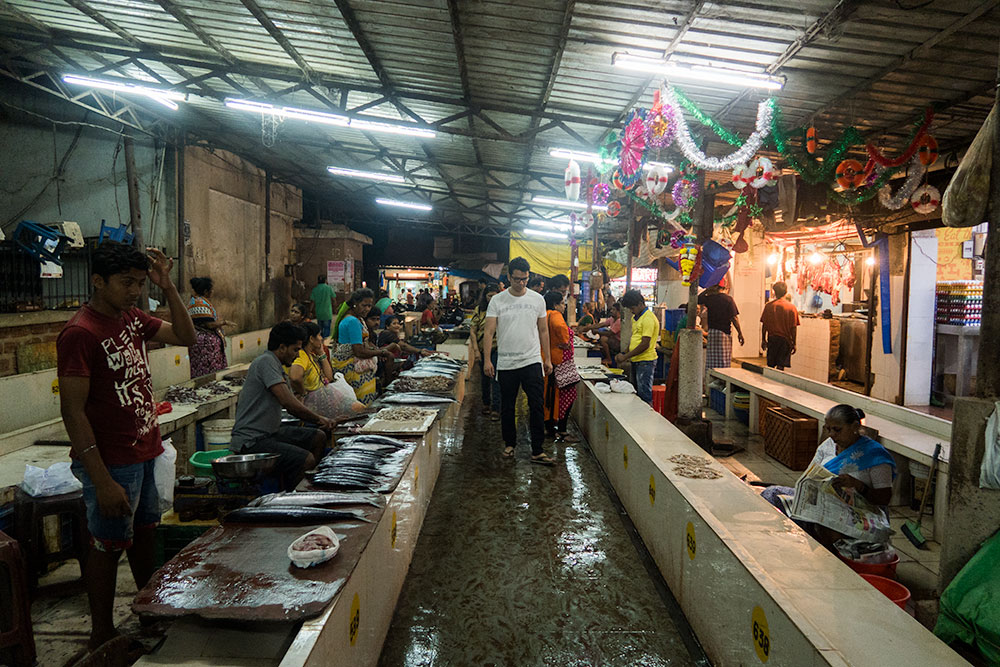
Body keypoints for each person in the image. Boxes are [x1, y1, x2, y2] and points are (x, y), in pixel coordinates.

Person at [58, 242, 197, 650]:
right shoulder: (80, 333)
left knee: (145, 533)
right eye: (127, 283)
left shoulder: (133, 318)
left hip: (144, 449)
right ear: (97, 281)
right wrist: (101, 480)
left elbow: (187, 336)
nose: (136, 290)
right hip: (110, 460)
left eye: (140, 283)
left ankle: (150, 609)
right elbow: (73, 412)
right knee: (107, 544)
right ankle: (101, 632)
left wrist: (167, 288)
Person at [760, 404, 895, 547]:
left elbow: (884, 499)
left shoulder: (874, 455)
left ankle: (829, 555)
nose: (831, 434)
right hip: (825, 503)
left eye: (837, 430)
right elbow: (811, 474)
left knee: (826, 528)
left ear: (855, 427)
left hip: (859, 512)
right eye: (828, 429)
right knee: (771, 494)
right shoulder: (828, 445)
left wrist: (858, 485)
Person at [230, 322, 338, 491]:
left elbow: (293, 399)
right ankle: (294, 499)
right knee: (306, 459)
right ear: (281, 347)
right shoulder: (266, 362)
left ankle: (309, 485)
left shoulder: (275, 364)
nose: (297, 355)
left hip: (270, 433)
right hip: (252, 441)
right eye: (295, 350)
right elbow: (288, 402)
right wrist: (319, 418)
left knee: (318, 437)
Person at [482, 257, 555, 466]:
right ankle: (509, 444)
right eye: (516, 279)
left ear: (528, 276)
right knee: (507, 406)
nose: (520, 283)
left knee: (537, 406)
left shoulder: (537, 300)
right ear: (509, 277)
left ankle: (537, 450)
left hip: (532, 361)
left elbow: (543, 330)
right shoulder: (497, 301)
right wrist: (487, 360)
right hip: (506, 364)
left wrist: (546, 359)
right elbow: (489, 332)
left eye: (524, 279)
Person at [331, 288, 394, 405]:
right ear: (355, 303)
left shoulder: (356, 319)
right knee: (361, 405)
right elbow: (359, 351)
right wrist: (381, 353)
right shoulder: (352, 321)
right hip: (352, 369)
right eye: (364, 305)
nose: (367, 309)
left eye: (369, 306)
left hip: (351, 365)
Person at [543, 290, 579, 442]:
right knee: (566, 394)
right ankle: (561, 430)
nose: (564, 307)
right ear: (555, 305)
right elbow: (561, 329)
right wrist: (565, 343)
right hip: (560, 361)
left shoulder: (544, 314)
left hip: (548, 359)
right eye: (562, 303)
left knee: (549, 396)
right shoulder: (555, 315)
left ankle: (550, 428)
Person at [615, 289, 660, 404]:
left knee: (644, 395)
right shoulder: (636, 318)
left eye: (632, 308)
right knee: (635, 393)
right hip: (637, 360)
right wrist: (625, 353)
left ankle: (646, 420)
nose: (632, 311)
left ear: (640, 304)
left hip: (645, 361)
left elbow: (645, 344)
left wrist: (625, 357)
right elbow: (635, 339)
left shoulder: (648, 318)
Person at [186, 276, 233, 378]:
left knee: (201, 371)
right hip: (206, 346)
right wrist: (224, 322)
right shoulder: (199, 303)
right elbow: (208, 324)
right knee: (208, 373)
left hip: (202, 343)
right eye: (211, 289)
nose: (213, 291)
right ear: (206, 291)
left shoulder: (197, 301)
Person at [470, 283, 501, 419]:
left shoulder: (503, 309)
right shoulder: (479, 310)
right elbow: (473, 330)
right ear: (485, 297)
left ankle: (496, 408)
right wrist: (476, 350)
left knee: (496, 378)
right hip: (483, 348)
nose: (492, 299)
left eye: (494, 296)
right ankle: (486, 403)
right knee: (485, 378)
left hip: (498, 348)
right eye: (489, 296)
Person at [698, 282, 744, 370]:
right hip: (724, 334)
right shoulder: (728, 299)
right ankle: (722, 380)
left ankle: (711, 378)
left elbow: (698, 299)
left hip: (712, 332)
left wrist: (707, 290)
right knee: (723, 360)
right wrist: (740, 333)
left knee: (712, 360)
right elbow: (734, 318)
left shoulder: (709, 299)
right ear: (722, 287)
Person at [760, 281, 800, 371]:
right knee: (781, 367)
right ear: (786, 292)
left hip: (772, 339)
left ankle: (768, 384)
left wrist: (763, 339)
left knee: (770, 365)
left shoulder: (769, 306)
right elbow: (793, 328)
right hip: (785, 340)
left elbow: (764, 325)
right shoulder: (791, 308)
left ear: (774, 292)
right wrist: (794, 343)